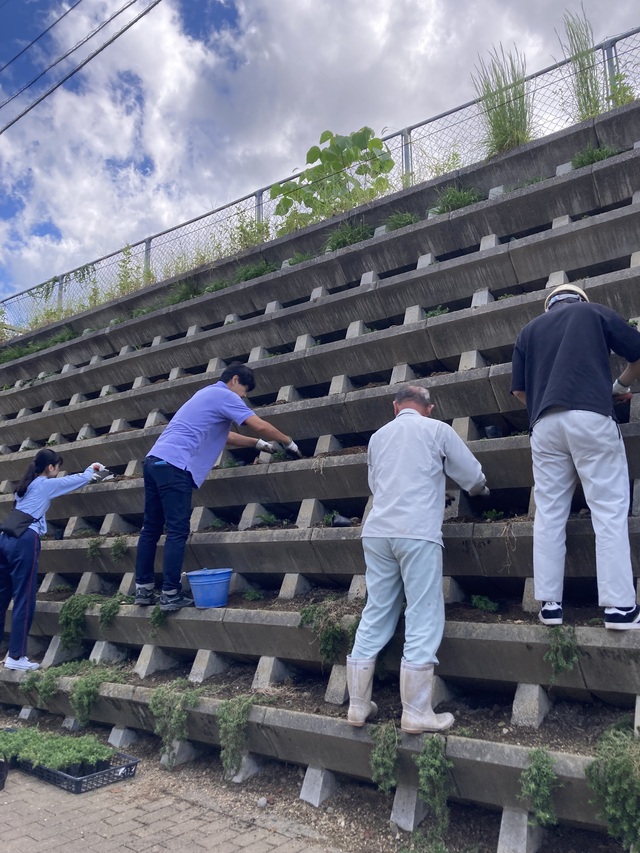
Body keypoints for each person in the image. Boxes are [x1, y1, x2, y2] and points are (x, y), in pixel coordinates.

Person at [346, 385, 488, 734]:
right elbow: (471, 475)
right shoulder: (437, 429)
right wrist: (481, 489)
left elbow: (375, 485)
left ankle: (357, 706)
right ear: (430, 407)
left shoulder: (379, 437)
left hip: (378, 531)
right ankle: (416, 711)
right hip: (416, 531)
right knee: (423, 612)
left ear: (395, 407)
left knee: (377, 609)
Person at [511, 283, 640, 629]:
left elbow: (521, 391)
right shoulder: (593, 311)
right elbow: (637, 352)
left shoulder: (528, 331)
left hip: (543, 425)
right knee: (608, 509)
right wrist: (618, 387)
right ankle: (619, 608)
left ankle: (550, 605)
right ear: (578, 299)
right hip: (591, 416)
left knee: (550, 513)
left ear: (548, 306)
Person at [134, 362, 302, 611]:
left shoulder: (205, 394)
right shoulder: (224, 394)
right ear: (235, 380)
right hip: (175, 466)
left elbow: (224, 437)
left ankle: (143, 590)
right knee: (178, 531)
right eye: (244, 391)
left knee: (151, 529)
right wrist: (288, 442)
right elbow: (258, 424)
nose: (243, 398)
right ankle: (170, 593)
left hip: (154, 461)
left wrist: (256, 444)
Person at [0, 449, 107, 671]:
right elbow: (72, 482)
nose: (57, 471)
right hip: (24, 540)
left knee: (2, 598)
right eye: (57, 467)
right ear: (51, 467)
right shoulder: (43, 484)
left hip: (5, 539)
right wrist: (91, 470)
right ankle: (16, 657)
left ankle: (10, 654)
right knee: (24, 597)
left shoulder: (24, 486)